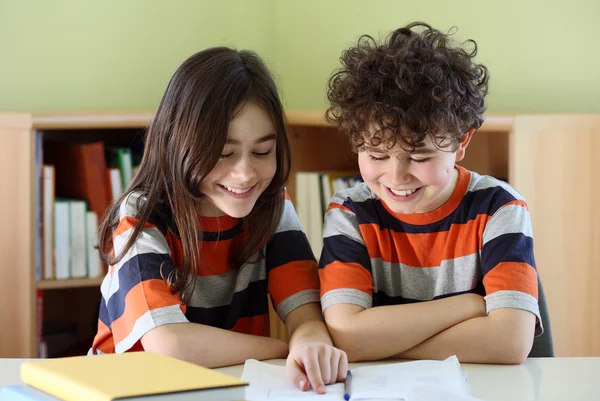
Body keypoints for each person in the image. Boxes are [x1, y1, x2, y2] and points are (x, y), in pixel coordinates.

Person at [90, 47, 347, 392]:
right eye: (223, 153)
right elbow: (171, 345)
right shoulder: (142, 216)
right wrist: (286, 348)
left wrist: (309, 338)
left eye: (262, 152)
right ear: (178, 140)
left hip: (226, 384)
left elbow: (306, 311)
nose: (244, 174)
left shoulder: (271, 204)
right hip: (127, 390)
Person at [319, 22, 542, 364]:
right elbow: (345, 336)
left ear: (461, 141)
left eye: (420, 157)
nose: (396, 176)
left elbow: (509, 341)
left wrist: (379, 343)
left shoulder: (499, 208)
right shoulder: (350, 211)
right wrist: (467, 306)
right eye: (376, 156)